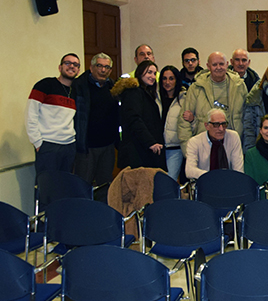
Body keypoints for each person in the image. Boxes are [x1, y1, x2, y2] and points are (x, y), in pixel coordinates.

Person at [178, 52, 247, 151]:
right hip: (204, 147)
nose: (218, 67)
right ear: (208, 66)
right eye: (214, 65)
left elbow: (247, 118)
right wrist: (187, 150)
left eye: (221, 64)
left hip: (232, 146)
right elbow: (184, 121)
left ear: (227, 65)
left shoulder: (239, 86)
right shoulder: (196, 88)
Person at [26, 53, 80, 176]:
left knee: (64, 187)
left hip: (69, 146)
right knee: (47, 188)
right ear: (60, 67)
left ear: (78, 70)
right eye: (67, 63)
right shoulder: (45, 85)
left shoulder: (76, 91)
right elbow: (31, 114)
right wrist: (38, 142)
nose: (71, 66)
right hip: (48, 146)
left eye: (75, 64)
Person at [73, 53, 119, 197]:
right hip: (86, 146)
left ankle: (102, 217)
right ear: (91, 67)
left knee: (105, 186)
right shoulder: (79, 86)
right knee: (83, 185)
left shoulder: (113, 86)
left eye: (107, 67)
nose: (103, 70)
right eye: (99, 66)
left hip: (107, 146)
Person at [112, 60, 165, 170]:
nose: (153, 76)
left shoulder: (146, 92)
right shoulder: (133, 92)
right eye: (149, 72)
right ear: (140, 73)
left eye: (155, 73)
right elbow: (134, 120)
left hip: (144, 149)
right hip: (136, 151)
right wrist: (150, 142)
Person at [185, 109, 244, 179]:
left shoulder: (233, 137)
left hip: (228, 182)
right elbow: (189, 171)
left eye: (224, 124)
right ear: (206, 126)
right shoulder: (194, 142)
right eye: (216, 125)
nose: (221, 129)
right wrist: (212, 176)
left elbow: (239, 170)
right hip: (204, 183)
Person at [160, 65, 192, 181]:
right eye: (164, 78)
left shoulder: (184, 98)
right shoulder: (156, 98)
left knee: (169, 182)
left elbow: (192, 121)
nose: (167, 82)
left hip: (175, 148)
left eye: (171, 78)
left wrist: (192, 118)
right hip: (158, 149)